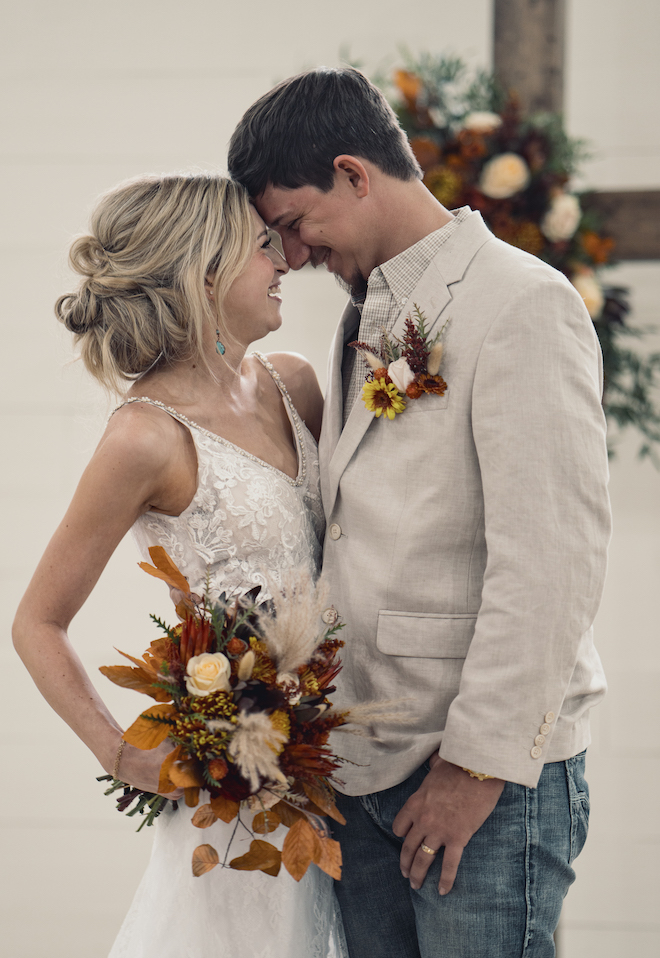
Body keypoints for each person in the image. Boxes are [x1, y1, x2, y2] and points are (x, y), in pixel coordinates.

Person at [228, 67, 612, 958]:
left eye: (294, 224)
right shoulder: (364, 313)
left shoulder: (523, 303)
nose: (291, 255)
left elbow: (551, 564)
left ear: (355, 173)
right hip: (365, 765)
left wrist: (473, 768)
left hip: (478, 774)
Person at [12, 172, 347, 958]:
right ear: (204, 274)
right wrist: (120, 751)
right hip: (234, 794)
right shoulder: (144, 437)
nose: (284, 262)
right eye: (262, 247)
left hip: (333, 771)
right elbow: (36, 622)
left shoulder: (294, 383)